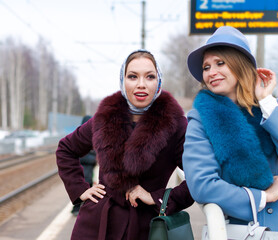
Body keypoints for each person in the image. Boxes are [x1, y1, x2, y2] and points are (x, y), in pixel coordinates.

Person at [182, 26, 278, 239]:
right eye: (206, 67)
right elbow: (202, 185)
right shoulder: (200, 120)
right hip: (243, 230)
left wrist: (265, 101)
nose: (211, 72)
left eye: (220, 63)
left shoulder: (270, 107)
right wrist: (263, 196)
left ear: (239, 64)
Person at [56, 50, 194, 240]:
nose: (141, 84)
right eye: (132, 76)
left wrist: (158, 198)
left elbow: (198, 177)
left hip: (145, 227)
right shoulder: (105, 118)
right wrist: (81, 190)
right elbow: (66, 149)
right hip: (95, 224)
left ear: (159, 81)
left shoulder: (175, 125)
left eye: (150, 76)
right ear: (123, 80)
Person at [70, 115, 97, 216]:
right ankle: (76, 209)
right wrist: (94, 159)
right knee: (83, 192)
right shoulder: (80, 138)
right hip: (83, 173)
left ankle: (82, 210)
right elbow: (79, 155)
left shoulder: (89, 136)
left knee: (87, 192)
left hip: (87, 172)